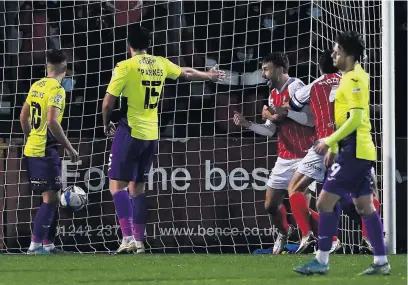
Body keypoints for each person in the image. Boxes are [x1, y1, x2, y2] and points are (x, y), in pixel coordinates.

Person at [101, 24, 225, 254]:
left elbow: (108, 103)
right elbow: (186, 73)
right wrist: (210, 75)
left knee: (116, 185)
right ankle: (139, 242)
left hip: (130, 130)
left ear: (129, 46)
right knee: (136, 189)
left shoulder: (125, 67)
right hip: (152, 133)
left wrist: (106, 122)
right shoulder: (159, 62)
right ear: (148, 45)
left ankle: (127, 238)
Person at [294, 31, 390, 275]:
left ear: (348, 54)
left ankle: (321, 261)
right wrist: (334, 147)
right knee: (364, 206)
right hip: (351, 148)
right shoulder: (348, 78)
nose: (333, 54)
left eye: (337, 50)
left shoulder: (354, 80)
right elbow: (342, 117)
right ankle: (381, 261)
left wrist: (330, 140)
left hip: (355, 149)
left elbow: (356, 118)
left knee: (324, 201)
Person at [233, 52, 315, 254]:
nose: (263, 74)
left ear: (279, 69)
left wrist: (284, 112)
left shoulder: (297, 87)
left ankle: (313, 240)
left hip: (305, 156)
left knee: (301, 206)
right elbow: (270, 130)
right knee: (270, 205)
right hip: (284, 156)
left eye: (266, 69)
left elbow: (311, 120)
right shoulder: (272, 95)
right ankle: (283, 232)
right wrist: (248, 125)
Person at [20, 49, 79, 254]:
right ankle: (35, 246)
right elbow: (53, 121)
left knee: (52, 196)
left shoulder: (37, 85)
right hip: (45, 150)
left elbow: (23, 117)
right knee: (51, 198)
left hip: (33, 148)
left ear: (47, 65)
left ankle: (48, 244)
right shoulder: (57, 89)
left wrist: (31, 136)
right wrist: (69, 148)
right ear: (64, 65)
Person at [285, 50, 342, 253]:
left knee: (295, 188)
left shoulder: (314, 85)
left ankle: (308, 235)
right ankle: (360, 240)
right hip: (349, 142)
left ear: (320, 67)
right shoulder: (349, 81)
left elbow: (292, 104)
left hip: (323, 143)